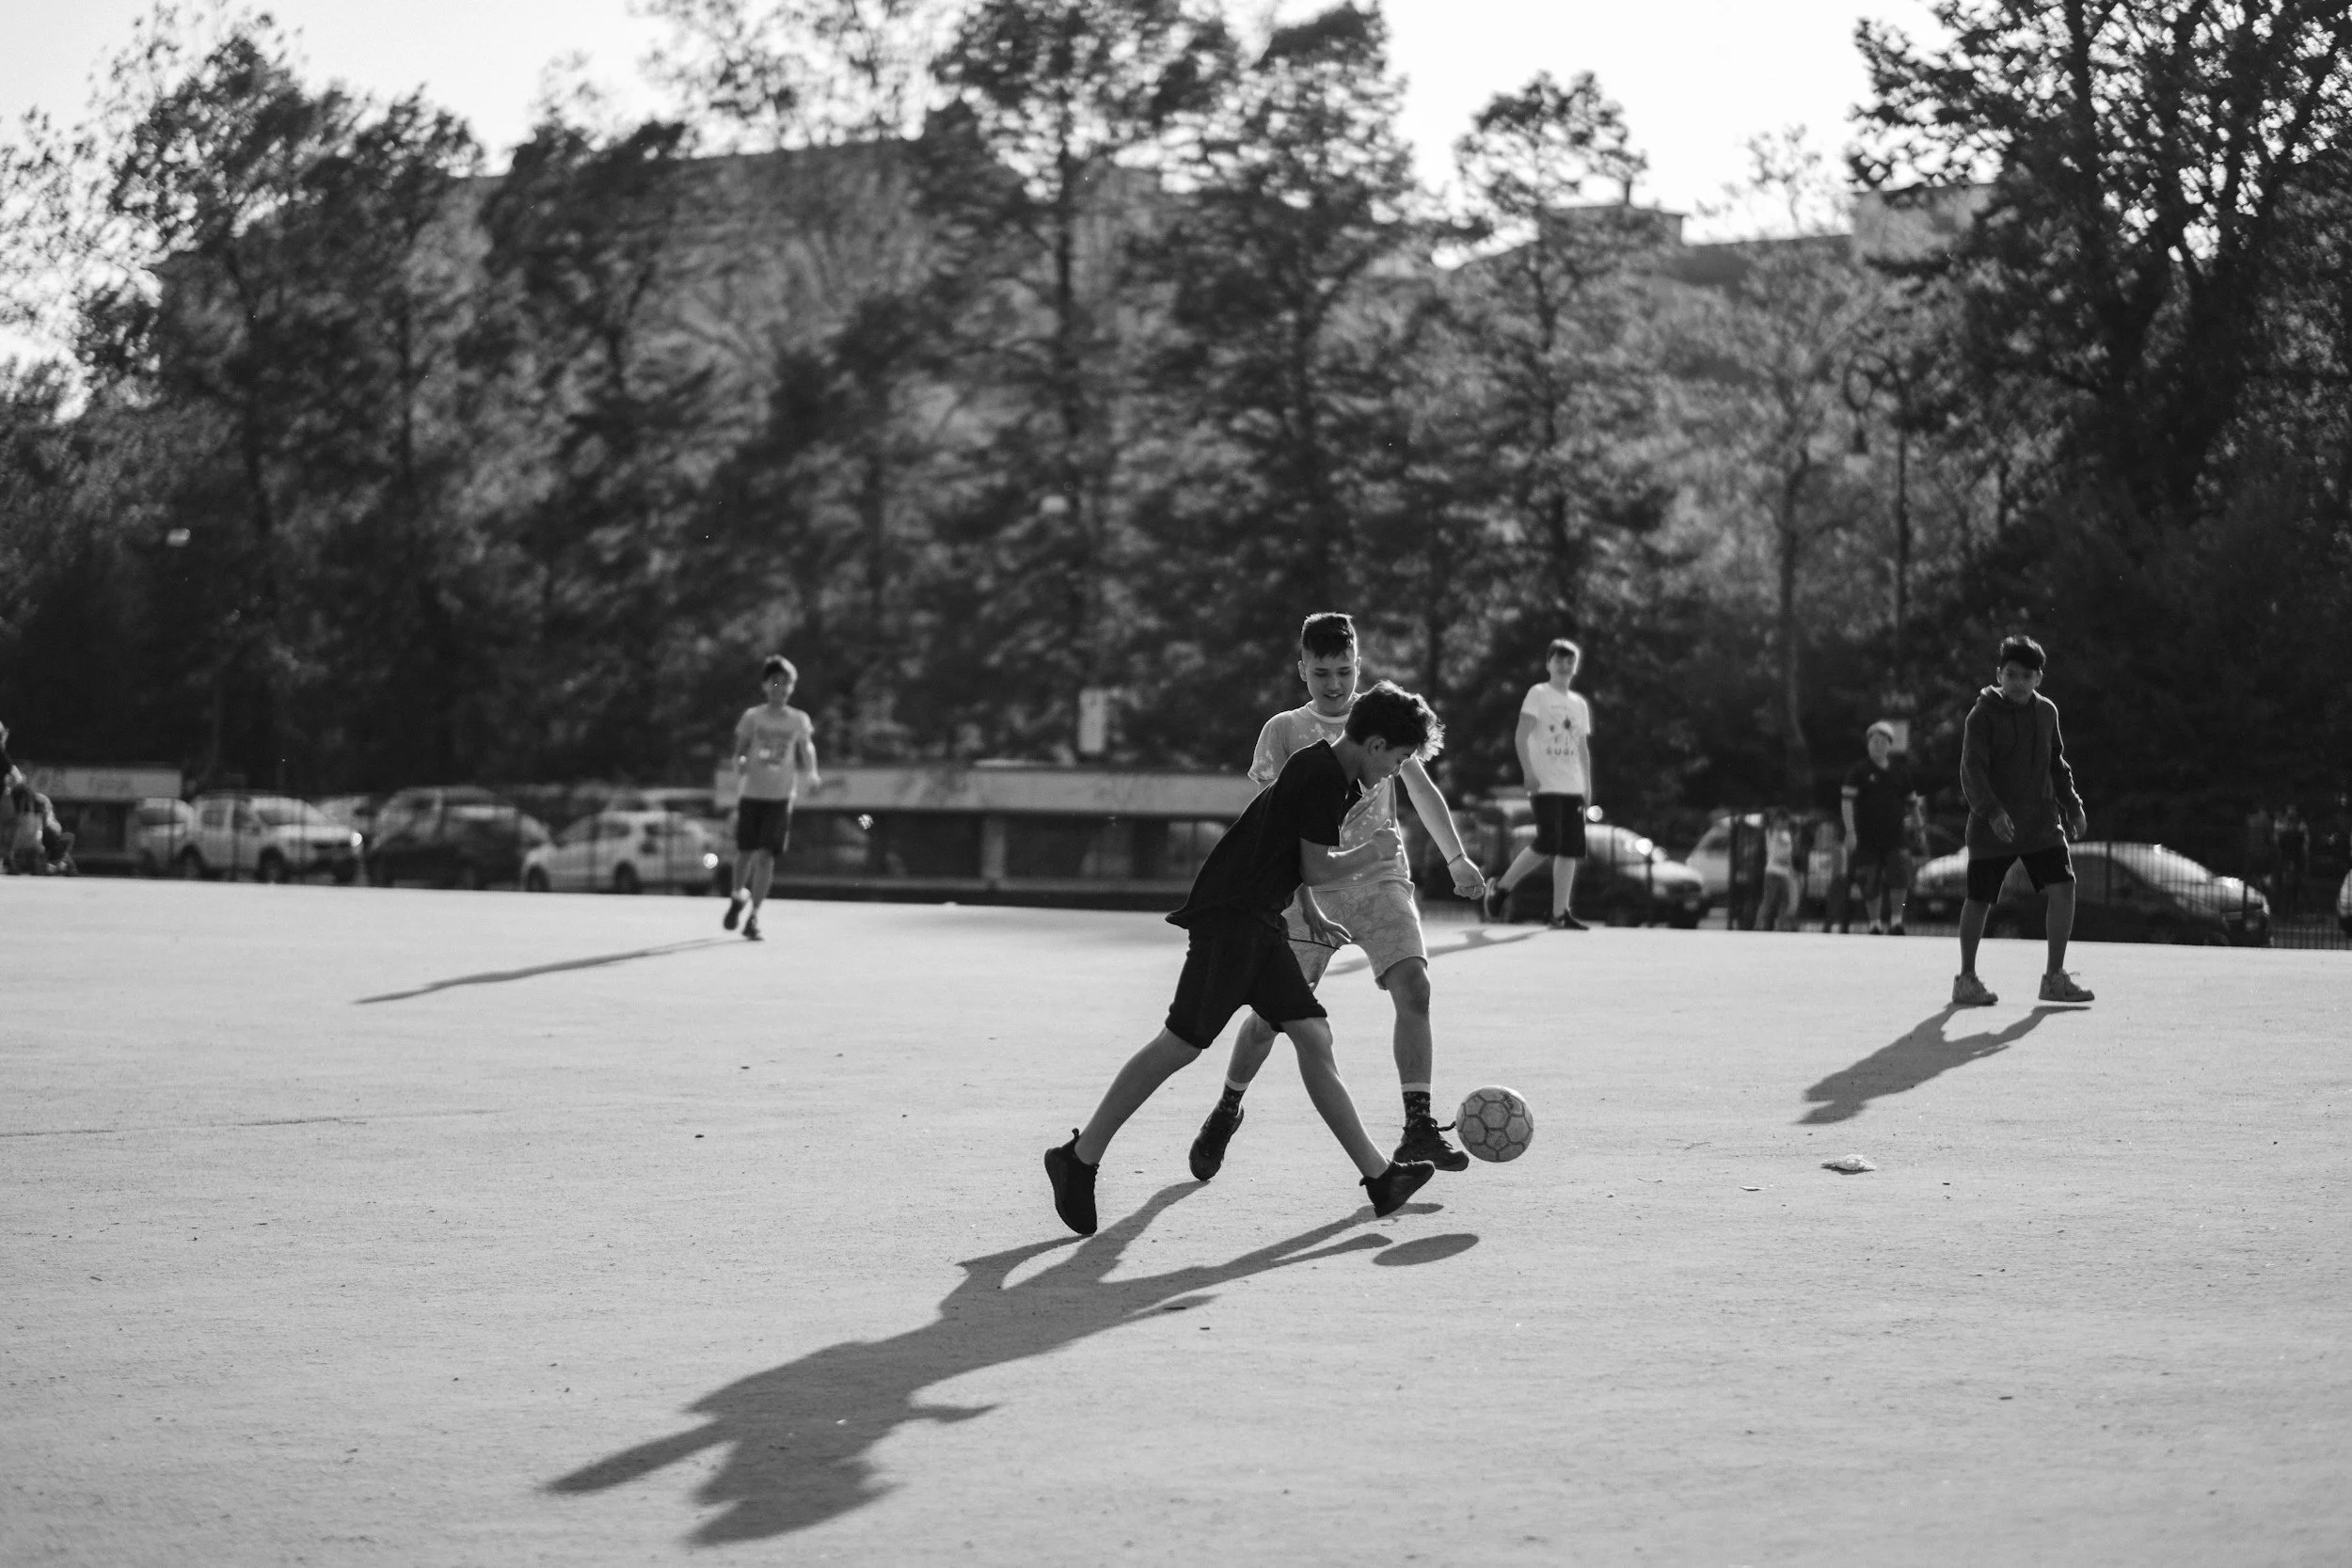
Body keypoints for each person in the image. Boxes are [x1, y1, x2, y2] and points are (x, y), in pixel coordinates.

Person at [1043, 682, 1447, 1237]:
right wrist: (1372, 851)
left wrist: (1309, 909)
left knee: (1312, 1033)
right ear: (1376, 745)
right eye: (1399, 759)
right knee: (1180, 1044)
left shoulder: (1328, 770)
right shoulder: (1324, 777)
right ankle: (1079, 1158)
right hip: (1232, 919)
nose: (1394, 772)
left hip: (1260, 921)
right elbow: (1319, 866)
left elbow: (1288, 854)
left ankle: (1380, 1178)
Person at [1186, 613, 1489, 1185]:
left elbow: (1421, 790)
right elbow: (1276, 829)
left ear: (1359, 667)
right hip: (1308, 888)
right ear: (1302, 669)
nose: (1333, 683)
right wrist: (1304, 903)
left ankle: (1417, 1123)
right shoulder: (1283, 731)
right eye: (1321, 671)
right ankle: (1228, 1106)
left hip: (1379, 879)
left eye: (1344, 671)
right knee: (1271, 1021)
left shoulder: (1378, 722)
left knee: (1415, 988)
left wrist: (1457, 859)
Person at [1954, 635, 2093, 1006]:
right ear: (1999, 674)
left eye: (2026, 676)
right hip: (1992, 825)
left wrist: (2073, 806)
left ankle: (2054, 978)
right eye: (2011, 674)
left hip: (2040, 823)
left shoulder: (2047, 712)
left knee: (2063, 887)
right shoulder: (1981, 716)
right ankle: (1966, 979)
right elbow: (1972, 771)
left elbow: (2056, 764)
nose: (2017, 682)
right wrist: (1993, 811)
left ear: (2038, 679)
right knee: (1980, 898)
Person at [1484, 639, 1595, 929]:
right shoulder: (1539, 694)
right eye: (1559, 659)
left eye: (1570, 660)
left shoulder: (1578, 704)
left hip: (1572, 784)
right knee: (1548, 842)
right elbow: (1521, 736)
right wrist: (1528, 771)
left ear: (1576, 666)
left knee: (1571, 849)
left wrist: (1587, 784)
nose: (1564, 665)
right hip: (1546, 782)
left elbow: (1581, 746)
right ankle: (1502, 887)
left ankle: (1560, 914)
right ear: (1549, 663)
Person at [723, 656, 820, 942]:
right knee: (745, 853)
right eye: (775, 682)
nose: (780, 688)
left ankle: (754, 916)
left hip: (780, 797)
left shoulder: (798, 719)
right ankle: (738, 895)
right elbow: (739, 749)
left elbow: (807, 747)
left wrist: (812, 773)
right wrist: (739, 761)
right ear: (765, 685)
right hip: (752, 793)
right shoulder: (753, 717)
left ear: (792, 687)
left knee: (766, 856)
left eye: (786, 683)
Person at [1842, 721, 1920, 934]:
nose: (1877, 745)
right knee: (1869, 881)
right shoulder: (1858, 771)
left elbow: (1912, 802)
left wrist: (1919, 827)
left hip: (1895, 836)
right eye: (1873, 741)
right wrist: (1850, 831)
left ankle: (1896, 921)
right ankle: (1874, 924)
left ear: (1889, 745)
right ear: (1868, 745)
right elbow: (1846, 802)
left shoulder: (1900, 772)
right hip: (1866, 837)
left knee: (1899, 879)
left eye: (1882, 741)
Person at [1755, 808, 1798, 930]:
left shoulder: (1785, 835)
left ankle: (1781, 925)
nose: (1785, 824)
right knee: (1769, 900)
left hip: (1783, 873)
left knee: (1784, 900)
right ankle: (1759, 924)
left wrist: (1790, 869)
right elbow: (1784, 854)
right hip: (1773, 872)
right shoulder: (1772, 833)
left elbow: (1788, 855)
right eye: (1783, 822)